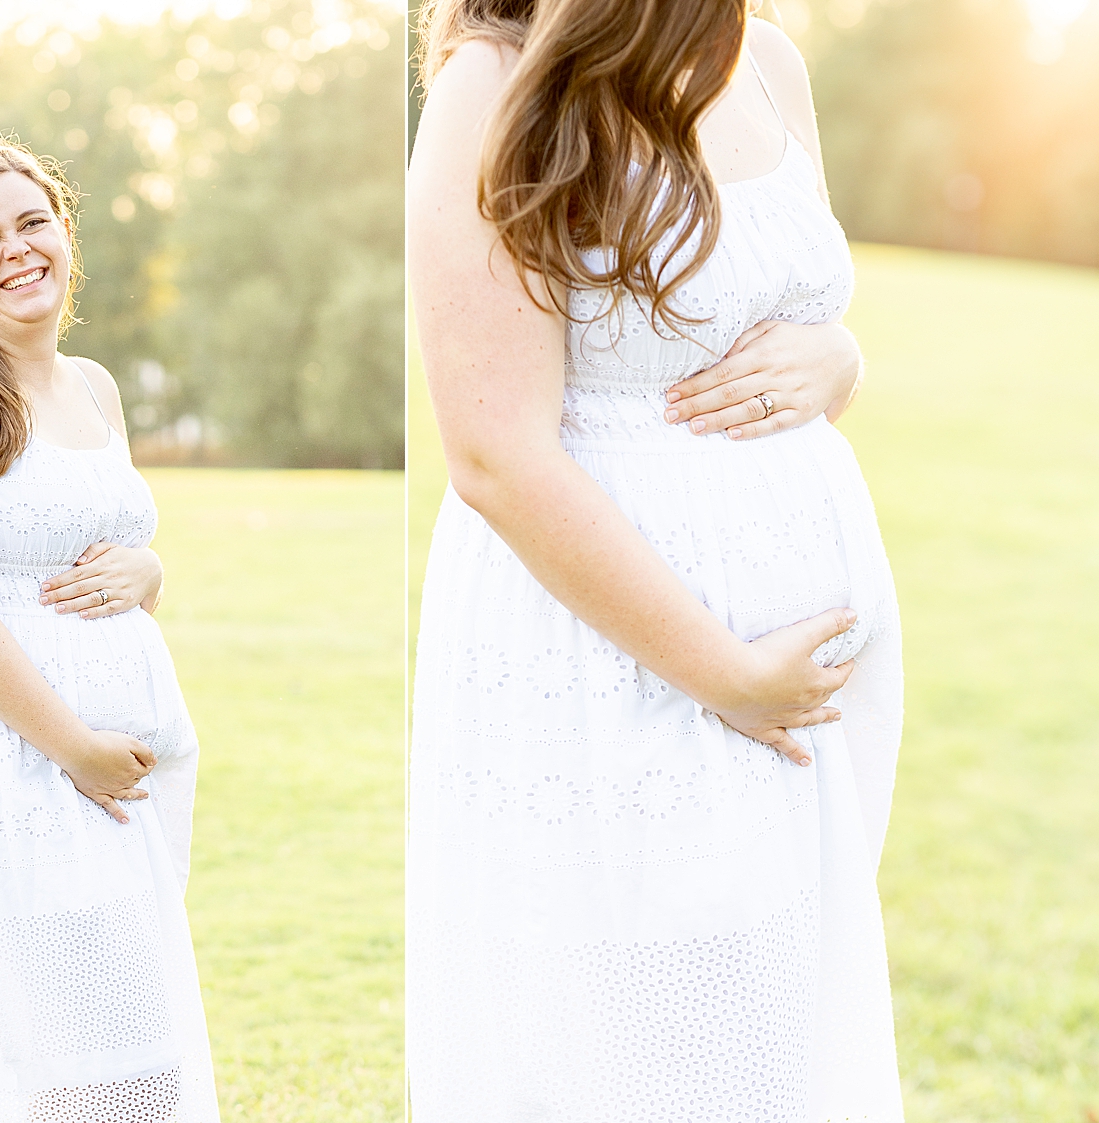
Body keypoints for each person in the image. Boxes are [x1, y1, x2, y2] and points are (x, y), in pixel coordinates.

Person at [407, 0, 904, 1118]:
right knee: (635, 1048)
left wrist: (844, 358)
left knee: (768, 1036)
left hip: (792, 691)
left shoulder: (767, 57)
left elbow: (781, 307)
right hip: (619, 665)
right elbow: (494, 451)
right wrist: (725, 674)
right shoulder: (493, 84)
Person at [0, 136, 219, 1122]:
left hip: (107, 773)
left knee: (127, 1065)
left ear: (65, 233)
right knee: (67, 1063)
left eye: (33, 222)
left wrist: (151, 570)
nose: (19, 250)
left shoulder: (94, 386)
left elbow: (98, 556)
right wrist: (75, 747)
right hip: (10, 757)